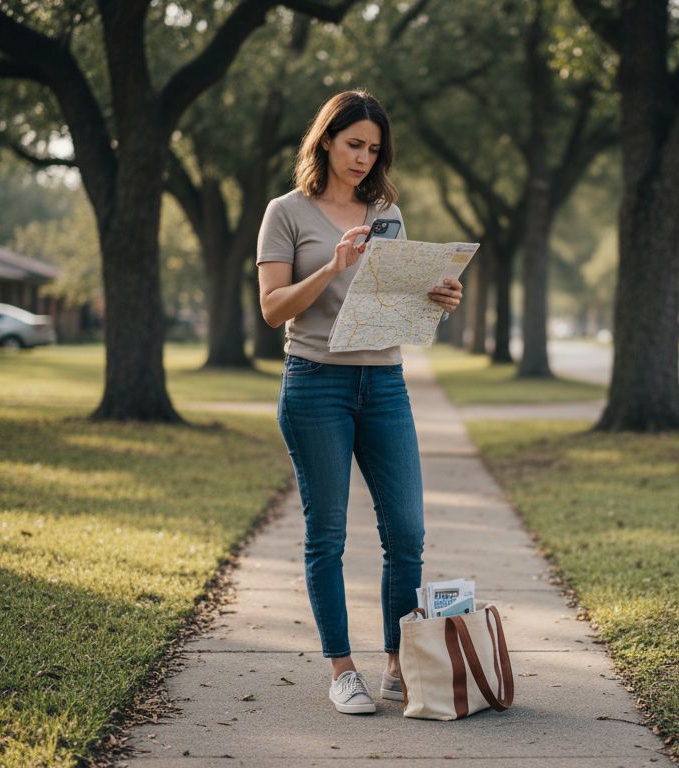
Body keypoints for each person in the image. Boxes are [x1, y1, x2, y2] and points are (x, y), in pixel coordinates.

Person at [256, 90, 462, 715]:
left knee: (406, 531)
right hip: (316, 383)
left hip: (385, 384)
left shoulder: (387, 212)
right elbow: (272, 309)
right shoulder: (285, 213)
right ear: (325, 140)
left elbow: (393, 296)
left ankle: (398, 661)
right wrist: (331, 267)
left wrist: (437, 296)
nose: (364, 159)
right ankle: (343, 669)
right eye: (354, 145)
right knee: (328, 534)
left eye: (373, 149)